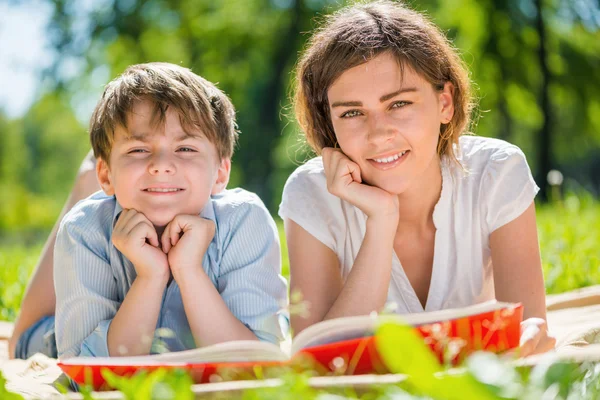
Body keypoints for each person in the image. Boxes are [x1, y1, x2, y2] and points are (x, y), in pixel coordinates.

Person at [280, 0, 555, 357]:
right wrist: (381, 220)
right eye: (351, 112)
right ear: (328, 123)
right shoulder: (310, 194)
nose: (378, 134)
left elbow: (528, 335)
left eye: (398, 104)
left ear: (445, 103)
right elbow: (319, 361)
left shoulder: (496, 172)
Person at [14, 62, 288, 359]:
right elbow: (89, 376)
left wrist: (189, 270)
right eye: (138, 150)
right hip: (62, 336)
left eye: (185, 149)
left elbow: (256, 362)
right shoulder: (85, 228)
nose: (160, 164)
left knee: (278, 323)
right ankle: (86, 182)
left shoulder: (244, 219)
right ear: (105, 176)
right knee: (22, 343)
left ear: (221, 173)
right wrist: (150, 276)